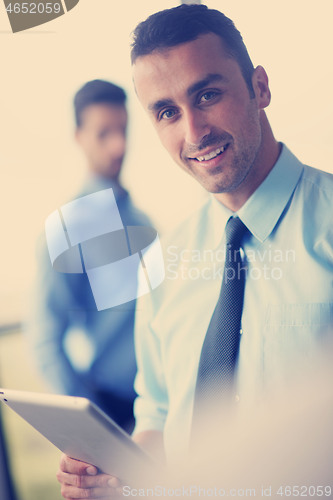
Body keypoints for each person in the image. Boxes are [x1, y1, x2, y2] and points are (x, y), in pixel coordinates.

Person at [56, 5, 333, 498]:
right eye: (166, 112)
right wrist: (118, 479)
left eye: (207, 95)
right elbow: (159, 415)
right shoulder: (161, 260)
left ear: (260, 88)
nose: (193, 132)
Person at [28, 79, 151, 432]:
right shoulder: (66, 230)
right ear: (78, 136)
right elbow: (46, 341)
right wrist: (98, 426)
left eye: (123, 130)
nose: (119, 145)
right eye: (104, 133)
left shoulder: (141, 219)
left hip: (162, 410)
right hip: (116, 414)